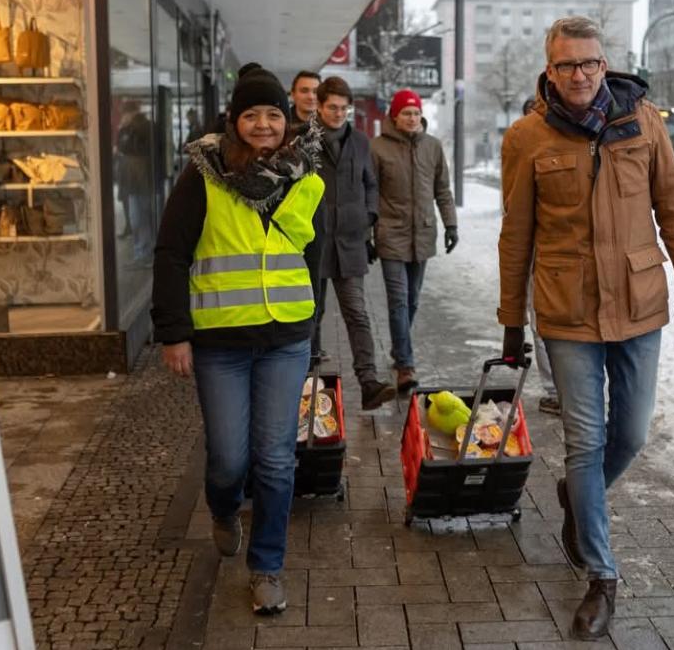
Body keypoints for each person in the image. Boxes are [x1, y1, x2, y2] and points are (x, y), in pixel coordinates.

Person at [498, 16, 674, 640]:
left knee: (633, 434)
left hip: (639, 302)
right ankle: (601, 576)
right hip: (566, 311)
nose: (580, 75)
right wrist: (513, 322)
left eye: (589, 62)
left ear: (605, 61)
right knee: (586, 441)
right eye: (566, 65)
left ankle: (577, 494)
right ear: (549, 69)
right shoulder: (527, 137)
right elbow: (516, 237)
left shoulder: (642, 121)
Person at [151, 71, 324, 614]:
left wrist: (313, 324)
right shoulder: (203, 177)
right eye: (252, 115)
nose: (264, 125)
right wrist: (174, 333)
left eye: (273, 114)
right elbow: (171, 253)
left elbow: (312, 255)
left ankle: (267, 567)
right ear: (234, 121)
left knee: (274, 460)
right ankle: (223, 507)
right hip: (220, 342)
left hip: (285, 339)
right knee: (229, 459)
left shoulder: (307, 176)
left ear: (286, 119)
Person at [313, 76, 397, 410]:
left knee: (358, 315)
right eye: (332, 107)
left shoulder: (361, 142)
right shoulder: (302, 141)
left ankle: (369, 383)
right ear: (319, 107)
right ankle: (307, 383)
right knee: (311, 315)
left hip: (350, 242)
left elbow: (371, 184)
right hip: (314, 242)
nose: (337, 114)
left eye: (343, 108)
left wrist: (370, 216)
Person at [370, 89, 458, 391]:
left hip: (422, 233)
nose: (412, 118)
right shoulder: (378, 148)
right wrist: (369, 232)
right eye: (406, 113)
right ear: (394, 116)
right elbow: (370, 195)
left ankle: (399, 348)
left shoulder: (432, 147)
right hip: (390, 234)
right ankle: (405, 366)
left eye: (416, 113)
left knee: (413, 300)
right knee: (398, 300)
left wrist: (451, 225)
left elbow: (442, 190)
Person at [518, 98, 559, 415]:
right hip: (534, 250)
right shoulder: (519, 150)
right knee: (542, 322)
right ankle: (555, 390)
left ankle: (563, 389)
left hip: (558, 250)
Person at [115, 100, 153, 261]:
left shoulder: (142, 127)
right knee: (136, 216)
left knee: (141, 216)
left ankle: (144, 251)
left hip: (141, 178)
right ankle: (141, 251)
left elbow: (128, 147)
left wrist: (124, 132)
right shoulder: (129, 128)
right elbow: (120, 146)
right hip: (133, 179)